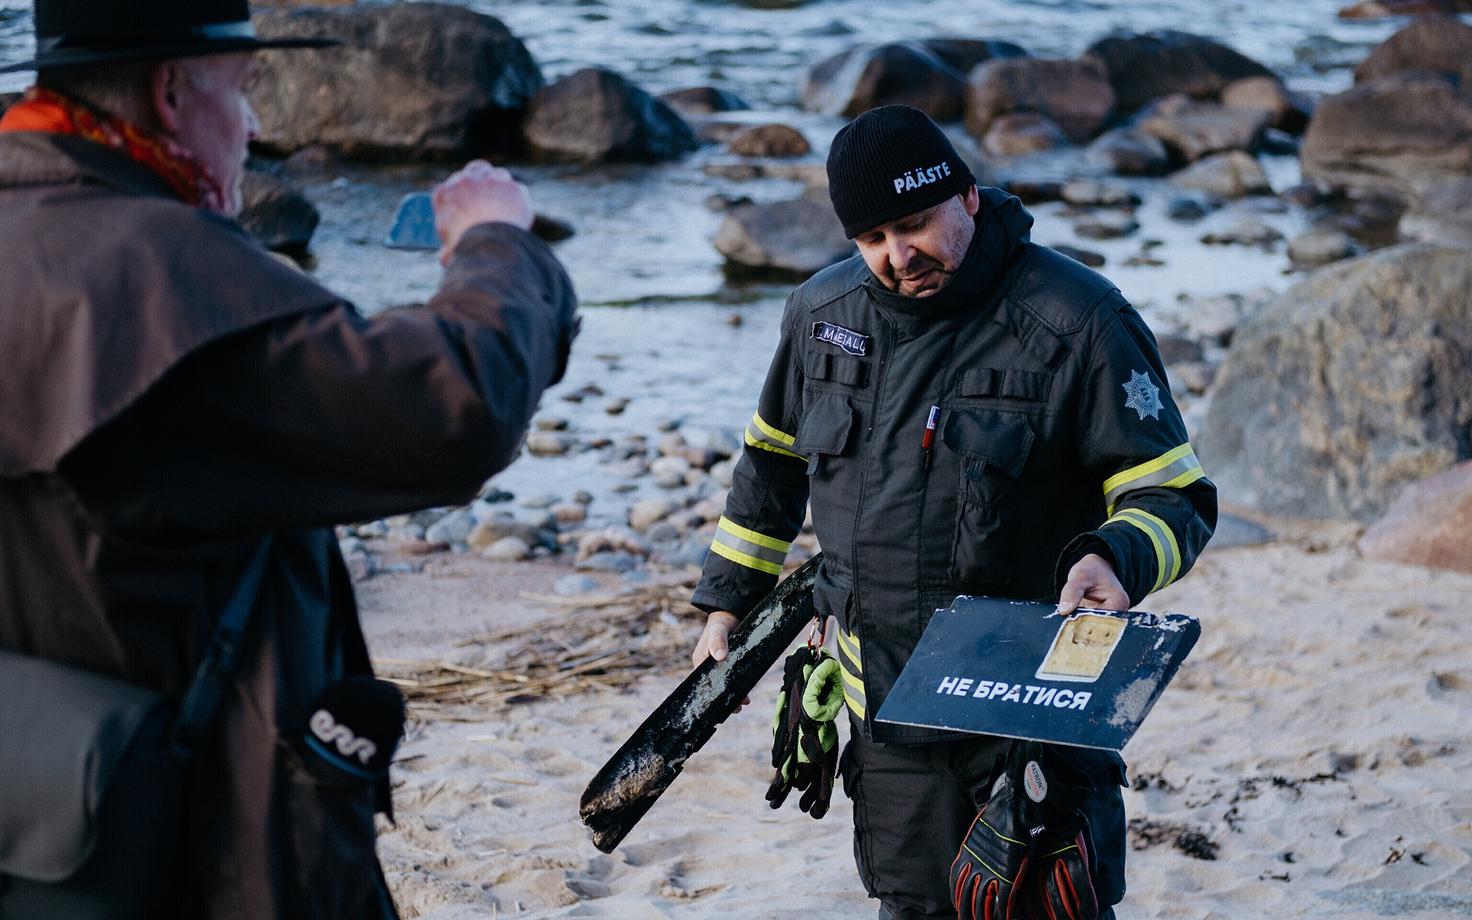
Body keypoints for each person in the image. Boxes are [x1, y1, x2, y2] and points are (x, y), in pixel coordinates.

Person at [0, 1, 577, 917]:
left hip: (37, 827)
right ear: (173, 90)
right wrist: (495, 244)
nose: (258, 126)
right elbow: (453, 406)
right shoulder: (157, 275)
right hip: (202, 835)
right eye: (247, 89)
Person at [689, 105, 1216, 919]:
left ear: (967, 198)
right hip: (886, 711)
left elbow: (1174, 494)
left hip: (1029, 712)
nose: (898, 258)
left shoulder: (1077, 320)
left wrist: (1114, 558)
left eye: (914, 224)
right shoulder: (822, 317)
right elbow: (771, 462)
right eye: (872, 239)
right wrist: (729, 596)